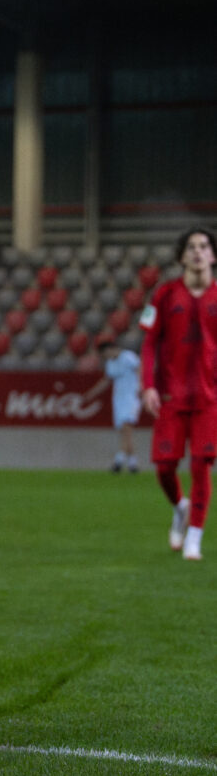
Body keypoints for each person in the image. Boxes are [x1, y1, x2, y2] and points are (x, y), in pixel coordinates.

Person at [140, 227, 217, 561]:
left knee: (201, 466)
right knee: (164, 468)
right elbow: (147, 345)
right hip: (171, 397)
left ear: (212, 255)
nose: (198, 252)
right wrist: (148, 386)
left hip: (209, 399)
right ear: (182, 255)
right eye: (191, 247)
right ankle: (180, 507)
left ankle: (194, 540)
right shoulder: (164, 295)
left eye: (204, 246)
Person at [83, 336, 141, 473]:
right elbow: (106, 381)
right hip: (119, 399)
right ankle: (132, 463)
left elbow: (140, 370)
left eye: (104, 354)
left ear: (109, 349)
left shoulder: (128, 357)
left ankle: (119, 461)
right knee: (124, 431)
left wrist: (141, 388)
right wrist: (91, 394)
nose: (105, 357)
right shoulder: (110, 363)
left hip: (131, 397)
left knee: (127, 428)